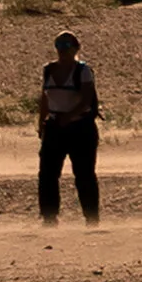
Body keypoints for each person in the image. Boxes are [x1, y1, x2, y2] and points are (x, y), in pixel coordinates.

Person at [37, 30, 100, 225]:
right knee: (47, 173)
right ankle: (49, 218)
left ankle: (91, 218)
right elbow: (45, 98)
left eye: (66, 46)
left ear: (76, 48)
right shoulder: (48, 70)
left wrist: (69, 116)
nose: (62, 50)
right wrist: (41, 122)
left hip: (80, 128)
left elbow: (87, 99)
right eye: (58, 45)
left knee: (84, 174)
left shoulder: (83, 71)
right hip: (54, 126)